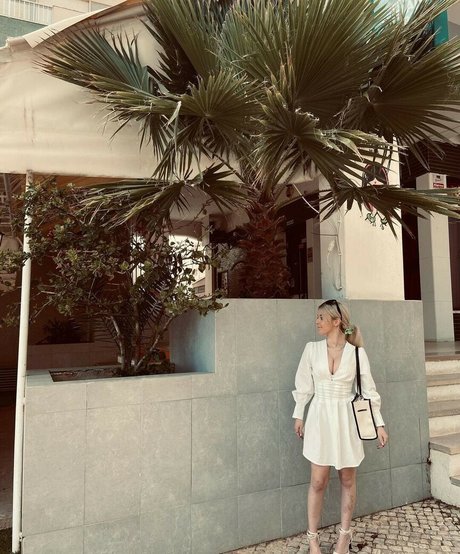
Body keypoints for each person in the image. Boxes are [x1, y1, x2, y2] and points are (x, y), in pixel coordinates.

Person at [292, 299, 388, 554]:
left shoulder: (356, 353)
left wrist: (379, 423)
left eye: (321, 318)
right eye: (317, 317)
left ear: (336, 321)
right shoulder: (311, 349)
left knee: (347, 479)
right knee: (317, 481)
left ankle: (344, 537)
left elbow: (368, 390)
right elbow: (304, 385)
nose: (316, 322)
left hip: (346, 420)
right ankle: (312, 539)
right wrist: (299, 414)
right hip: (320, 417)